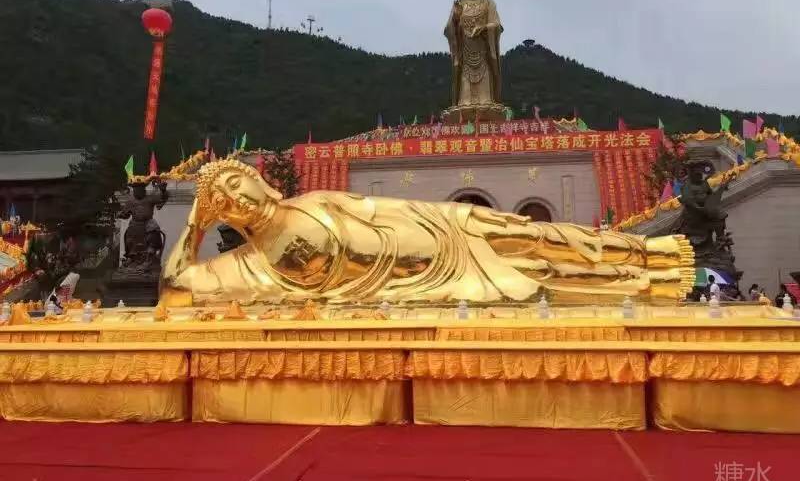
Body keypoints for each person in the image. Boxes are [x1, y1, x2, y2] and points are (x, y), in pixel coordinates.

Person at [160, 159, 695, 307]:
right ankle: (650, 282)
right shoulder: (254, 263)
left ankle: (649, 250)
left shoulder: (314, 202)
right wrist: (193, 223)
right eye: (222, 200)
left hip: (440, 230)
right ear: (221, 215)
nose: (237, 197)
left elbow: (383, 207)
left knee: (538, 236)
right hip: (432, 283)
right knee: (545, 278)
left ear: (259, 179)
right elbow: (176, 288)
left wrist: (451, 216)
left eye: (237, 182)